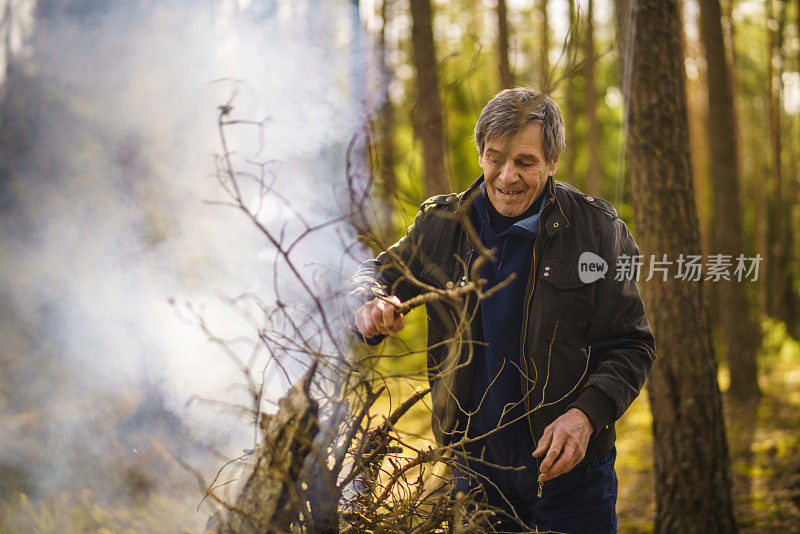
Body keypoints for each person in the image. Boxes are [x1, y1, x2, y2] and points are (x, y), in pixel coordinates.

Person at [348, 88, 656, 533]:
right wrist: (370, 305)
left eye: (525, 162)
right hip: (472, 474)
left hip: (572, 479)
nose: (507, 176)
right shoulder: (441, 225)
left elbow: (632, 345)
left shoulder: (597, 231)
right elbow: (371, 277)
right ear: (481, 156)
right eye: (495, 158)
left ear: (553, 162)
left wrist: (586, 415)